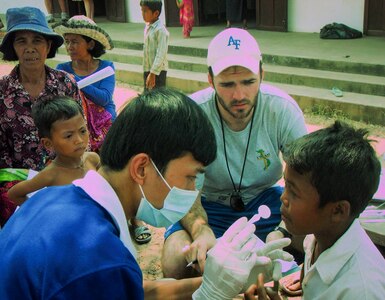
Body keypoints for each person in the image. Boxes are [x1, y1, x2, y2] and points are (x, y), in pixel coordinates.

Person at [0, 88, 292, 299]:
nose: (192, 192)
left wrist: (222, 281)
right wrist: (211, 295)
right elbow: (108, 278)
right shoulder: (97, 259)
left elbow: (136, 291)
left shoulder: (55, 199)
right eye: (190, 177)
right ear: (141, 168)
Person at [161, 28, 307, 279]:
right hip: (207, 206)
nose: (239, 95)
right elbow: (180, 187)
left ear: (262, 73)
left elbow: (305, 180)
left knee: (315, 234)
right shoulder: (192, 115)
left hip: (267, 204)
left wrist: (282, 231)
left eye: (249, 82)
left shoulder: (282, 110)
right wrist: (200, 229)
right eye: (227, 84)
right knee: (176, 262)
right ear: (210, 79)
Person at [244, 121, 385, 300]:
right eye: (286, 185)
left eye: (294, 192)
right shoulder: (320, 235)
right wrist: (307, 281)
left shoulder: (361, 291)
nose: (283, 197)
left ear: (338, 211)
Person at [0, 6, 82, 227]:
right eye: (21, 41)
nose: (30, 49)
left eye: (37, 40)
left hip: (63, 172)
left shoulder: (66, 83)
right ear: (13, 48)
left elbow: (81, 135)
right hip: (15, 179)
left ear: (48, 46)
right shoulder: (2, 91)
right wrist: (28, 182)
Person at [7, 96, 100, 206]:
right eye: (69, 136)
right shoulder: (50, 175)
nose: (79, 140)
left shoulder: (93, 159)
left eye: (83, 131)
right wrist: (43, 214)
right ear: (48, 143)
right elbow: (14, 194)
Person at [53, 15, 116, 152]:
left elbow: (104, 99)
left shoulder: (106, 67)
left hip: (105, 121)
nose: (69, 47)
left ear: (91, 44)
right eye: (67, 42)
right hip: (76, 123)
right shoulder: (62, 69)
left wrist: (73, 79)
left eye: (75, 42)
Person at [140, 0, 169, 90]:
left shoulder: (161, 30)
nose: (142, 14)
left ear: (156, 13)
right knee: (148, 96)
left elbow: (161, 53)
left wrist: (153, 73)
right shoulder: (147, 26)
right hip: (147, 68)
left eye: (145, 11)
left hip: (158, 71)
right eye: (141, 10)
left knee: (158, 97)